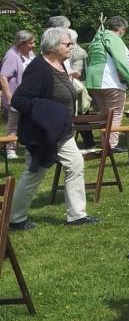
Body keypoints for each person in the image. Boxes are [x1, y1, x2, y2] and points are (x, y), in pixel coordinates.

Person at [9, 28, 101, 230]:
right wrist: (47, 112)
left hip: (62, 131)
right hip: (43, 133)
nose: (71, 47)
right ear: (52, 47)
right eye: (66, 44)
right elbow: (19, 99)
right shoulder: (39, 68)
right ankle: (14, 219)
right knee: (35, 174)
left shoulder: (59, 63)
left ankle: (77, 215)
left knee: (75, 165)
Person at [86, 15, 129, 152]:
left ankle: (104, 143)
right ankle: (111, 146)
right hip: (110, 80)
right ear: (121, 29)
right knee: (115, 113)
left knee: (103, 114)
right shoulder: (113, 38)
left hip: (94, 81)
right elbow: (120, 60)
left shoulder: (97, 38)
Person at [1, 30, 36, 159]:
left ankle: (29, 146)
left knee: (31, 121)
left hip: (30, 95)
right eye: (30, 43)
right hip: (16, 95)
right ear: (21, 44)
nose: (33, 45)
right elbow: (3, 77)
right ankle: (10, 149)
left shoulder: (30, 53)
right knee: (14, 123)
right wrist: (10, 97)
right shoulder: (11, 56)